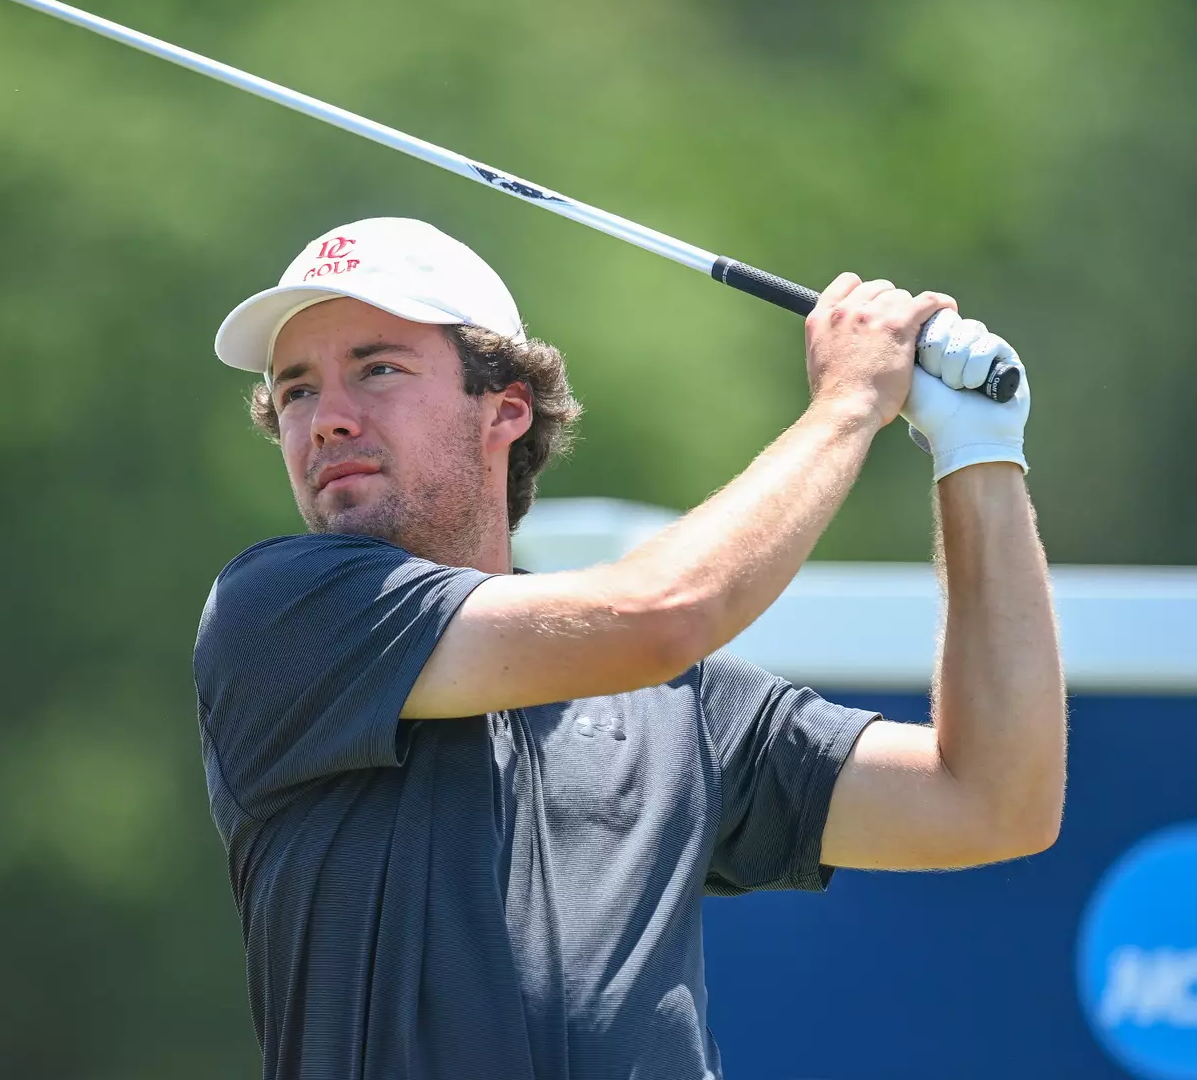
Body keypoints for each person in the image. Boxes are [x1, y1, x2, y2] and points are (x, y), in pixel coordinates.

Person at [192, 217, 1066, 1080]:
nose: (327, 419)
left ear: (503, 411)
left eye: (377, 369)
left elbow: (993, 800)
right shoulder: (278, 613)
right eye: (297, 390)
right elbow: (662, 614)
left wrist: (976, 451)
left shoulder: (681, 705)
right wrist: (847, 407)